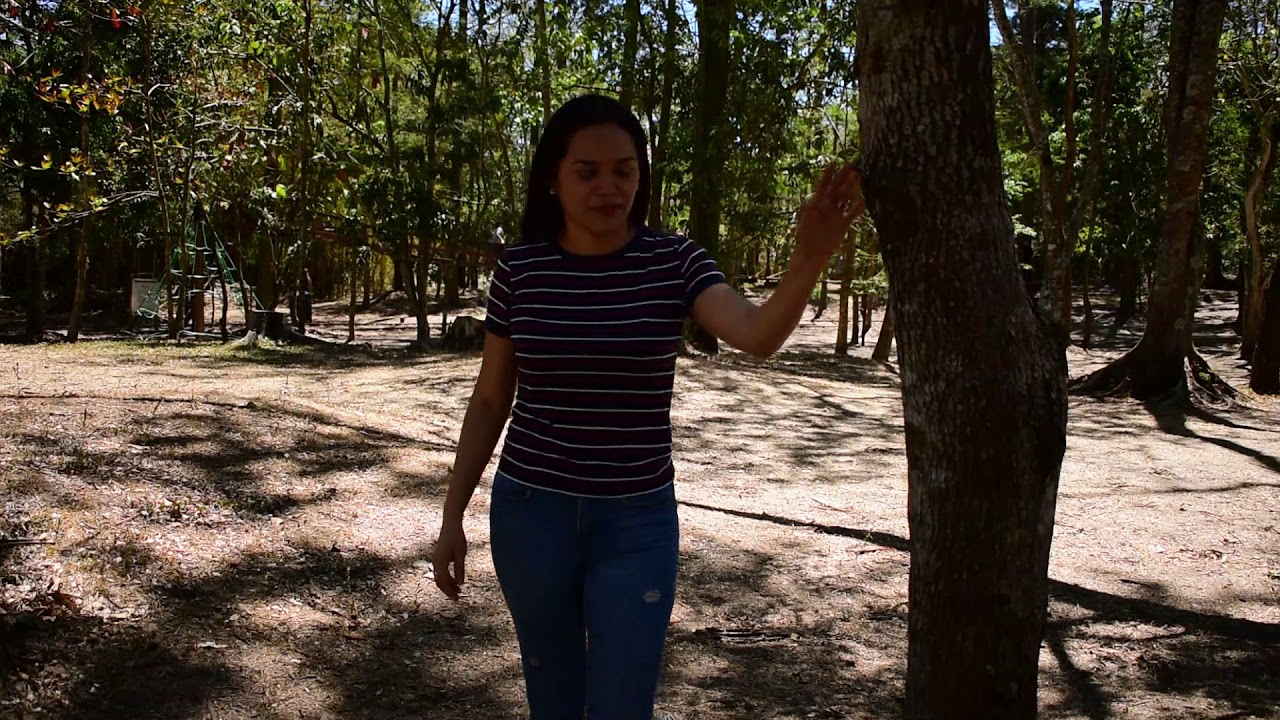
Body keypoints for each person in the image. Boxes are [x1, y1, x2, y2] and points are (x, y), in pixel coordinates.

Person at [430, 94, 863, 720]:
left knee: (623, 703)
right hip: (532, 514)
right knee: (553, 700)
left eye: (624, 170)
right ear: (553, 178)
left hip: (636, 521)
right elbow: (492, 397)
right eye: (587, 172)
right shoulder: (521, 268)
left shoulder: (674, 260)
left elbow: (757, 334)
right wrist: (453, 516)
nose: (608, 188)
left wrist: (810, 257)